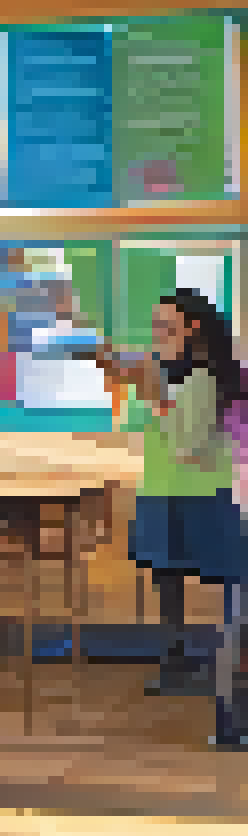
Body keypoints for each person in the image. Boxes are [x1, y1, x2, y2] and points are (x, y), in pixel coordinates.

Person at [95, 288, 246, 694]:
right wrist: (122, 373)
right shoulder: (162, 370)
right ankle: (175, 661)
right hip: (161, 489)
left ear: (191, 327)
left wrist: (155, 396)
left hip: (202, 492)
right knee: (167, 577)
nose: (157, 331)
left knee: (229, 577)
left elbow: (187, 446)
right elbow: (136, 418)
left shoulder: (204, 377)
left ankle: (231, 665)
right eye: (155, 324)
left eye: (166, 324)